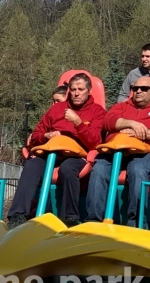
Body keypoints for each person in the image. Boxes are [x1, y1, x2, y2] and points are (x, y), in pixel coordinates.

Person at [7, 73, 106, 228]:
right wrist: (47, 136)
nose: (76, 93)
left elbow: (96, 141)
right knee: (32, 164)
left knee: (68, 169)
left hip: (77, 154)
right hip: (51, 151)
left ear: (89, 90)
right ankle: (18, 215)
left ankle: (70, 216)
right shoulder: (57, 109)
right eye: (73, 89)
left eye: (80, 89)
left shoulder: (97, 112)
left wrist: (78, 123)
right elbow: (36, 135)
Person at [86, 76, 150, 224]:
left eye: (144, 89)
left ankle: (137, 221)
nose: (138, 91)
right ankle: (94, 221)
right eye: (135, 89)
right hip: (114, 151)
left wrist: (142, 133)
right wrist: (131, 123)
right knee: (99, 169)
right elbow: (107, 121)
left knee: (137, 169)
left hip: (142, 153)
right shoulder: (122, 106)